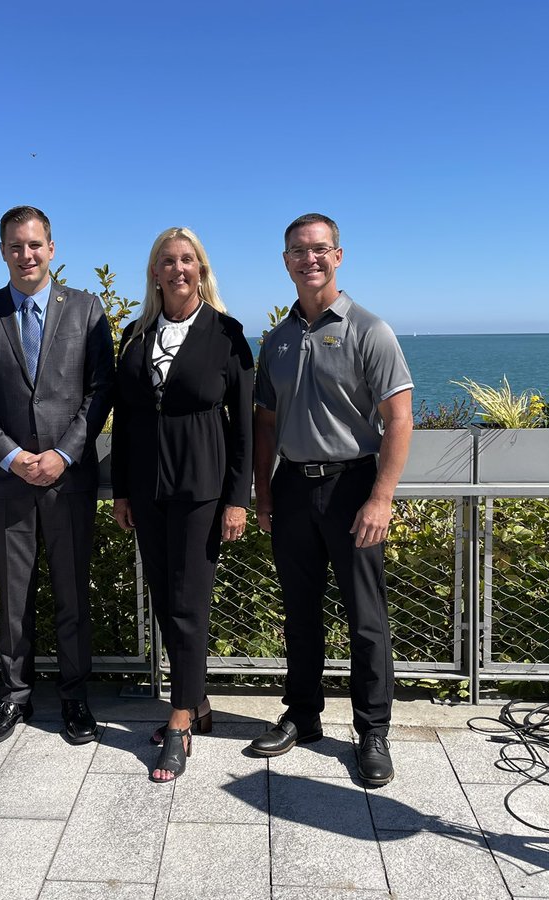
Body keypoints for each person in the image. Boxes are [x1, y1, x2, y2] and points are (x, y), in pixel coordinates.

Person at [248, 213, 413, 787]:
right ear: (286, 261)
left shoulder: (371, 330)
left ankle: (372, 729)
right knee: (300, 611)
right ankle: (303, 715)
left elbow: (399, 419)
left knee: (366, 617)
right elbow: (264, 422)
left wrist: (382, 497)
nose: (309, 259)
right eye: (298, 250)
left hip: (352, 487)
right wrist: (263, 492)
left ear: (338, 256)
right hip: (293, 485)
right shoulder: (277, 339)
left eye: (319, 249)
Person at [0, 205, 114, 746]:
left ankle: (74, 697)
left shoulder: (88, 310)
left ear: (52, 248)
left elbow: (99, 392)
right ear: (2, 251)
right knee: (13, 595)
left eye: (35, 245)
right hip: (7, 479)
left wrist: (63, 454)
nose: (27, 255)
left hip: (69, 479)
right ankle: (15, 696)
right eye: (16, 246)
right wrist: (12, 456)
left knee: (71, 592)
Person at [112, 227, 253, 782]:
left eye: (186, 260)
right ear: (154, 272)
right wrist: (121, 488)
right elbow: (123, 421)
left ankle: (178, 722)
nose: (177, 269)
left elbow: (243, 426)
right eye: (166, 261)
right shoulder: (135, 335)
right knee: (166, 598)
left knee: (189, 599)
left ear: (201, 268)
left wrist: (237, 500)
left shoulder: (227, 334)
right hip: (147, 487)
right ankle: (198, 703)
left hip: (203, 488)